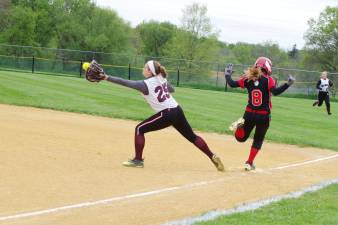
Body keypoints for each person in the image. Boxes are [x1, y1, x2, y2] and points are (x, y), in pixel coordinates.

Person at [91, 60, 224, 171]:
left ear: (150, 72)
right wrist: (163, 84)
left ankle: (138, 160)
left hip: (167, 113)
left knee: (139, 129)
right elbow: (172, 89)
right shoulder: (161, 78)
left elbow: (126, 82)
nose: (143, 69)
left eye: (145, 67)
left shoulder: (145, 84)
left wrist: (106, 77)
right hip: (177, 109)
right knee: (192, 136)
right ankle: (212, 156)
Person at [224, 57, 295, 171]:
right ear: (268, 67)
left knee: (241, 139)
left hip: (249, 113)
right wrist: (288, 84)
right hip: (263, 116)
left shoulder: (248, 78)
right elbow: (275, 92)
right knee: (258, 139)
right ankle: (249, 162)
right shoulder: (268, 80)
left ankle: (240, 128)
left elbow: (232, 84)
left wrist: (227, 74)